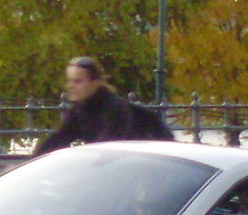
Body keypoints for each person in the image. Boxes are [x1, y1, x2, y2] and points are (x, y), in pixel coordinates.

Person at [34, 56, 173, 154]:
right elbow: (60, 137)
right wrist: (33, 162)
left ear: (95, 82)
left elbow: (109, 148)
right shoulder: (80, 110)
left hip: (150, 160)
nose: (70, 86)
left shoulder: (114, 109)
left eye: (77, 81)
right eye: (69, 81)